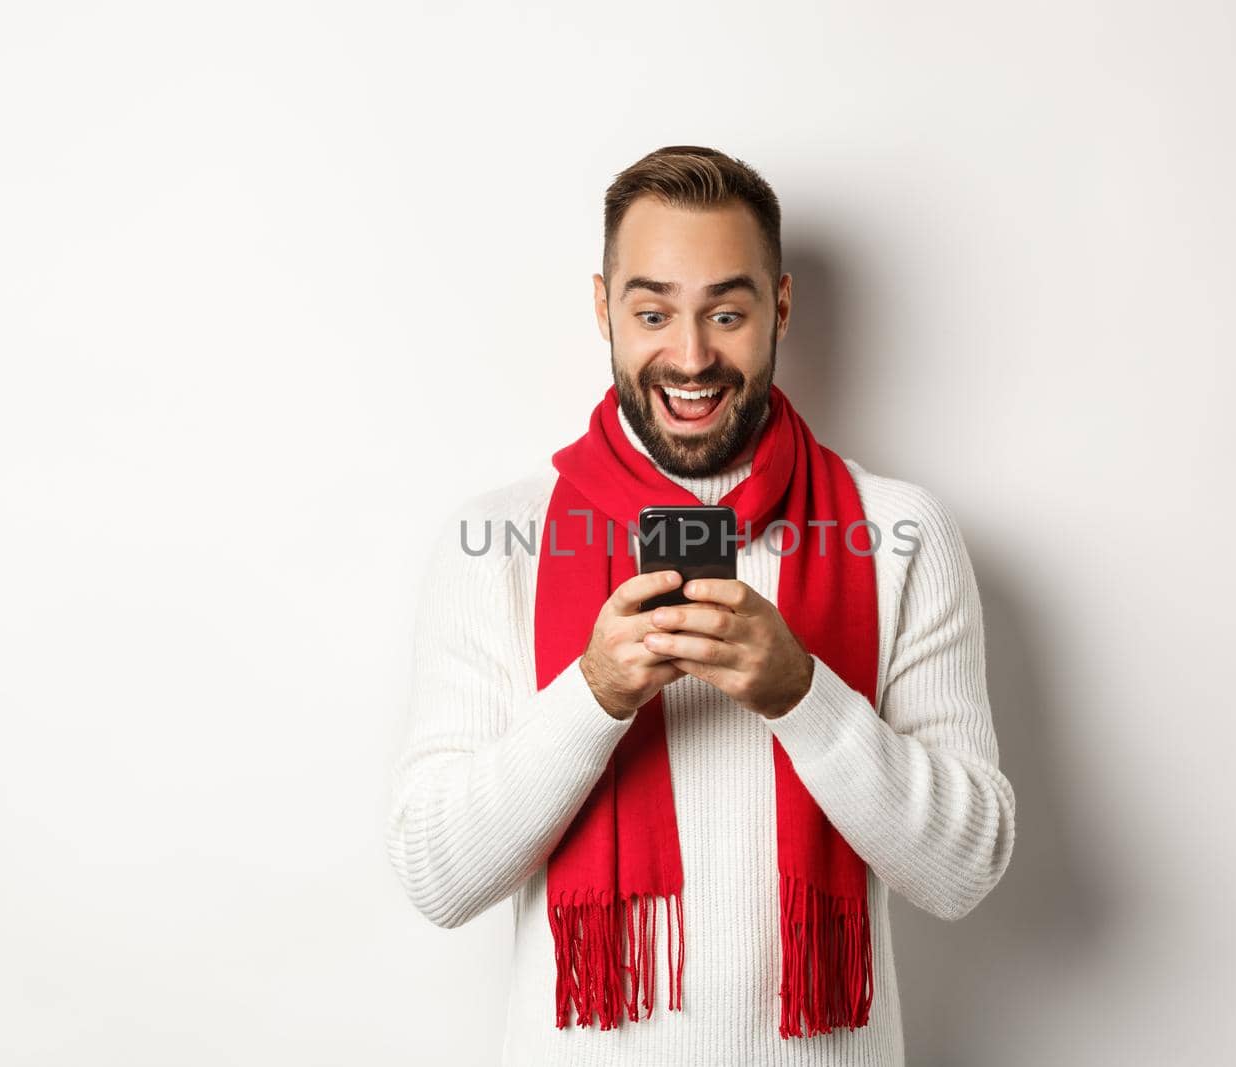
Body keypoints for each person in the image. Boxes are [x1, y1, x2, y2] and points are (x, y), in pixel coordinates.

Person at [386, 145, 1017, 1067]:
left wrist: (804, 692)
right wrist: (593, 692)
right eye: (652, 312)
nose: (690, 357)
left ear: (781, 309)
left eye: (726, 312)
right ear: (603, 308)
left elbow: (965, 871)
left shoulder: (899, 531)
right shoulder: (499, 541)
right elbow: (437, 877)